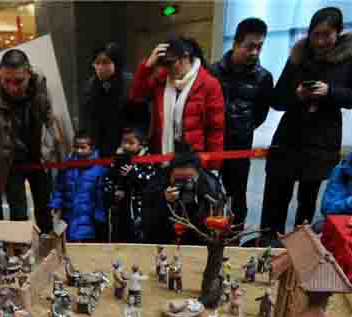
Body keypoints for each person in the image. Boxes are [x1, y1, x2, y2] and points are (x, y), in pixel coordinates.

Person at [261, 7, 352, 240]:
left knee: (307, 204)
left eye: (326, 34)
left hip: (322, 139)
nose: (320, 41)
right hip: (289, 136)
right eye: (315, 34)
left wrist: (330, 93)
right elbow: (277, 100)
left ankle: (301, 251)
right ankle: (266, 244)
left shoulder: (350, 58)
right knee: (275, 200)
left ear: (338, 33)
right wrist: (296, 94)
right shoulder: (298, 55)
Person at [0, 49, 62, 232]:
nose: (13, 87)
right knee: (18, 213)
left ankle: (48, 249)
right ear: (0, 75)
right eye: (7, 81)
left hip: (38, 156)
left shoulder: (39, 82)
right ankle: (21, 254)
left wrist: (55, 138)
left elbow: (47, 111)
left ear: (29, 74)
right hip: (10, 161)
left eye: (19, 81)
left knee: (45, 208)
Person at [210, 18, 274, 227]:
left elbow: (260, 114)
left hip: (239, 147)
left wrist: (242, 128)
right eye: (250, 46)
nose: (255, 52)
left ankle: (234, 238)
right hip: (211, 145)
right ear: (236, 43)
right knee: (208, 192)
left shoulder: (264, 78)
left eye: (259, 47)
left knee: (237, 197)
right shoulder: (212, 72)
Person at [129, 37, 225, 169]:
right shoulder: (162, 79)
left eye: (171, 63)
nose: (168, 69)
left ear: (185, 57)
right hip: (163, 157)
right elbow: (137, 96)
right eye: (165, 64)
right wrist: (147, 66)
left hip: (194, 161)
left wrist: (213, 167)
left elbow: (215, 130)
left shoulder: (209, 84)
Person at [81, 42, 145, 159]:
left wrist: (134, 139)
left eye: (105, 62)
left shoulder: (130, 83)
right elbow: (87, 118)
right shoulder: (90, 86)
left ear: (116, 63)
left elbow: (141, 117)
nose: (100, 67)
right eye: (97, 63)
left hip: (126, 146)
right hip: (99, 148)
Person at [151, 147, 225, 245]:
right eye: (178, 179)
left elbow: (214, 228)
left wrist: (198, 199)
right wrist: (164, 201)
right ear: (170, 173)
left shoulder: (211, 186)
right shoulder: (157, 183)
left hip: (200, 241)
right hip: (165, 240)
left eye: (188, 179)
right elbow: (149, 224)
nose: (183, 184)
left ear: (199, 173)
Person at [102, 128, 161, 243]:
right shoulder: (117, 160)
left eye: (131, 143)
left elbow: (151, 183)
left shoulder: (148, 160)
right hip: (122, 210)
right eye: (124, 142)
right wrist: (114, 192)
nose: (126, 146)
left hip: (141, 209)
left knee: (140, 239)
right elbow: (109, 178)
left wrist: (133, 174)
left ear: (141, 144)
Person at [49, 131, 107, 241]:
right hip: (69, 216)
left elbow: (101, 195)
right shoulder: (68, 166)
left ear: (92, 148)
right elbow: (59, 186)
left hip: (89, 218)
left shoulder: (99, 168)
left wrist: (100, 215)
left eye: (83, 147)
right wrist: (55, 203)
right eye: (76, 147)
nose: (79, 151)